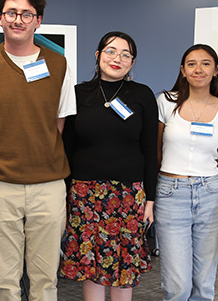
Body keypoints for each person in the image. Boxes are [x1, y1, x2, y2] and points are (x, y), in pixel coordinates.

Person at [0, 0, 76, 301]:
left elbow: (58, 123)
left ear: (38, 21)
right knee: (5, 284)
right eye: (11, 13)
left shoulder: (59, 66)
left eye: (27, 14)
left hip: (48, 186)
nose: (18, 20)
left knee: (45, 282)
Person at [59, 31, 156, 301]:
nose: (117, 58)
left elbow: (150, 149)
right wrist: (65, 195)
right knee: (91, 265)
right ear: (98, 55)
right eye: (111, 51)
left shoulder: (143, 95)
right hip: (84, 194)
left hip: (129, 194)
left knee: (124, 265)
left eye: (126, 55)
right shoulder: (79, 94)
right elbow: (67, 148)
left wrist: (150, 199)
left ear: (132, 63)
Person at [154, 44, 218, 301]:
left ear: (216, 70)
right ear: (183, 70)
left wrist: (201, 180)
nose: (198, 69)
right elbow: (156, 149)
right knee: (177, 283)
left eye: (205, 63)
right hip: (170, 192)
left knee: (204, 281)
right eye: (191, 63)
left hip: (210, 193)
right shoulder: (166, 101)